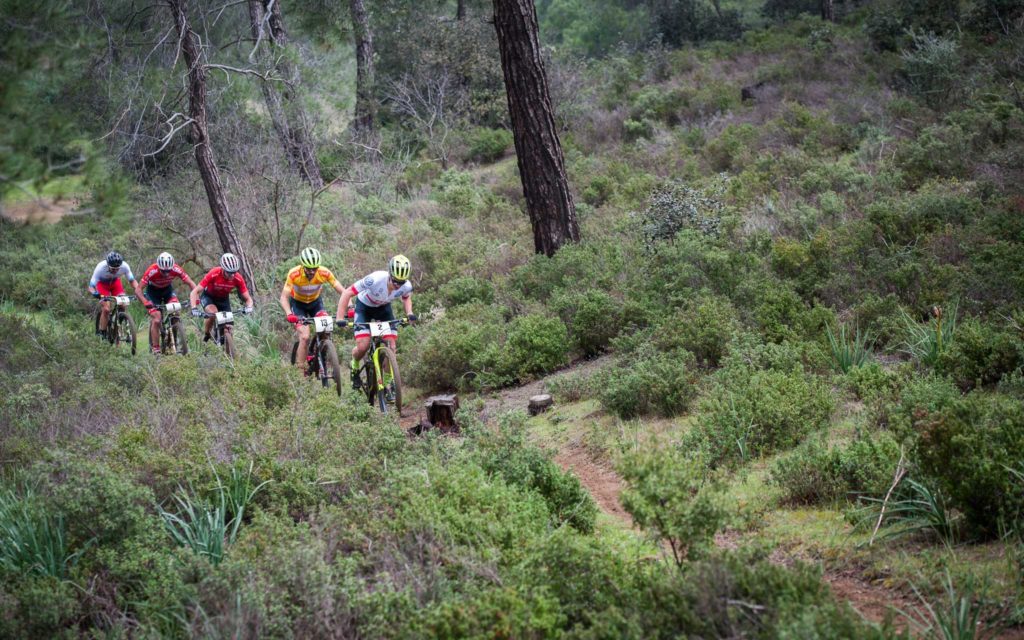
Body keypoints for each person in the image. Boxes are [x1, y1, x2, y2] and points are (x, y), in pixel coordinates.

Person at [337, 254, 417, 389]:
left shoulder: (406, 286)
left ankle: (388, 383)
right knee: (363, 346)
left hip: (383, 309)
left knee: (391, 347)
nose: (398, 285)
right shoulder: (375, 279)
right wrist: (340, 317)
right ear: (389, 274)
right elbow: (347, 292)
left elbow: (406, 298)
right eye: (395, 281)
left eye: (401, 282)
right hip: (364, 308)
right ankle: (355, 365)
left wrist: (409, 313)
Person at [279, 247, 348, 371]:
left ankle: (321, 356)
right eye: (309, 269)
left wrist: (350, 305)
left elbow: (343, 291)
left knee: (326, 329)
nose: (312, 272)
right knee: (304, 337)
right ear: (302, 266)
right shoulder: (294, 273)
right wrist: (289, 313)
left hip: (315, 304)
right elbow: (284, 297)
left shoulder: (324, 272)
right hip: (298, 304)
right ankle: (301, 371)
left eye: (314, 269)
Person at [139, 252, 197, 355]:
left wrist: (196, 298)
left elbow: (191, 283)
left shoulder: (176, 268)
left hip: (168, 291)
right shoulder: (152, 270)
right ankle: (156, 348)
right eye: (163, 271)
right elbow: (138, 290)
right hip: (152, 293)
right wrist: (145, 302)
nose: (166, 274)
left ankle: (175, 338)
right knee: (157, 319)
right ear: (159, 267)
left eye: (168, 271)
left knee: (175, 311)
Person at [188, 253, 254, 342]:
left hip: (223, 299)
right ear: (223, 269)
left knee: (229, 325)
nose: (232, 275)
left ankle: (228, 348)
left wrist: (249, 307)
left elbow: (248, 299)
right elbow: (194, 292)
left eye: (234, 272)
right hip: (208, 297)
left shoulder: (238, 278)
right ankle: (207, 335)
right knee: (213, 312)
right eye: (229, 272)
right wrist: (194, 308)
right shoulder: (214, 273)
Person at [88, 251, 145, 336]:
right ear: (107, 265)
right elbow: (91, 286)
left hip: (115, 283)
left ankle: (117, 325)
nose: (115, 270)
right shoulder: (100, 268)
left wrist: (139, 291)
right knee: (106, 309)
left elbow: (132, 281)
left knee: (123, 304)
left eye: (117, 268)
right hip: (102, 285)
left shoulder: (124, 266)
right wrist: (94, 293)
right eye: (113, 269)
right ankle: (102, 333)